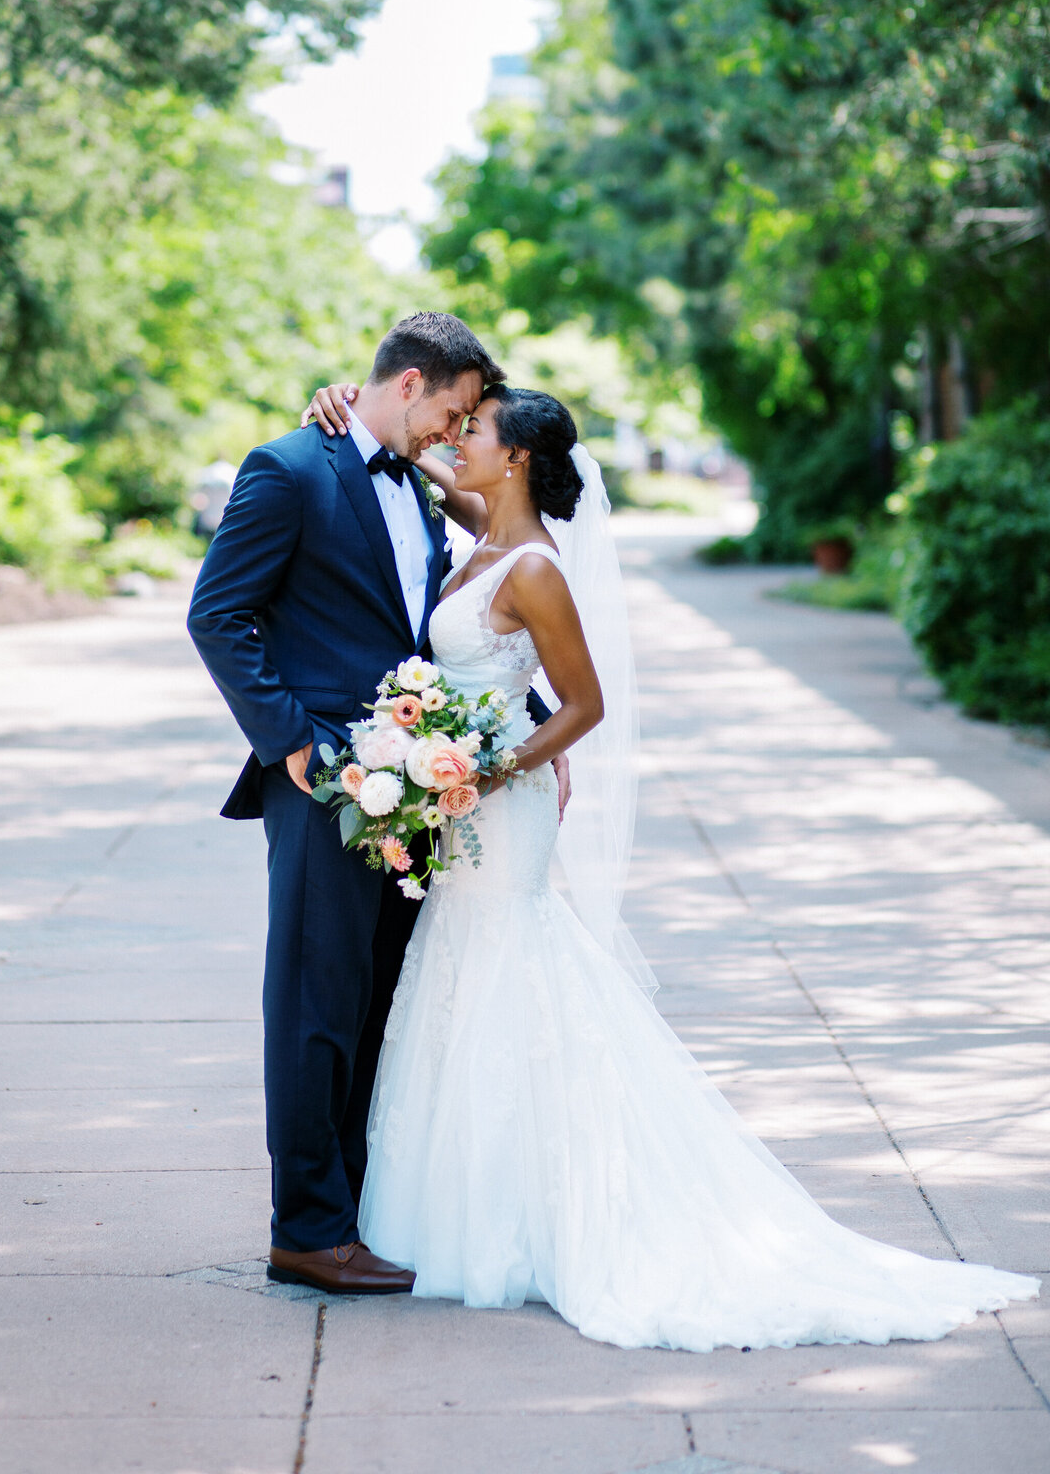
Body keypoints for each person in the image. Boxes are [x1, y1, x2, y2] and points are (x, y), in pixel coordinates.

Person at [301, 376, 1039, 1350]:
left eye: (474, 429)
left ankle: (534, 1213)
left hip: (502, 806)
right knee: (461, 965)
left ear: (515, 455)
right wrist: (351, 414)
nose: (458, 438)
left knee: (508, 966)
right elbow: (414, 456)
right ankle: (465, 1205)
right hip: (466, 802)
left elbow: (583, 705)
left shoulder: (535, 567)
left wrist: (486, 767)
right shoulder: (482, 522)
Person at [186, 314, 567, 1297]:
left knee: (376, 1004)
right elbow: (218, 614)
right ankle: (305, 1231)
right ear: (408, 384)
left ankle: (355, 1211)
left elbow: (469, 623)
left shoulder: (417, 486)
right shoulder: (289, 470)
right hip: (324, 789)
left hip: (416, 795)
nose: (457, 428)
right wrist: (295, 743)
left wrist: (536, 722)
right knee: (315, 1005)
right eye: (453, 408)